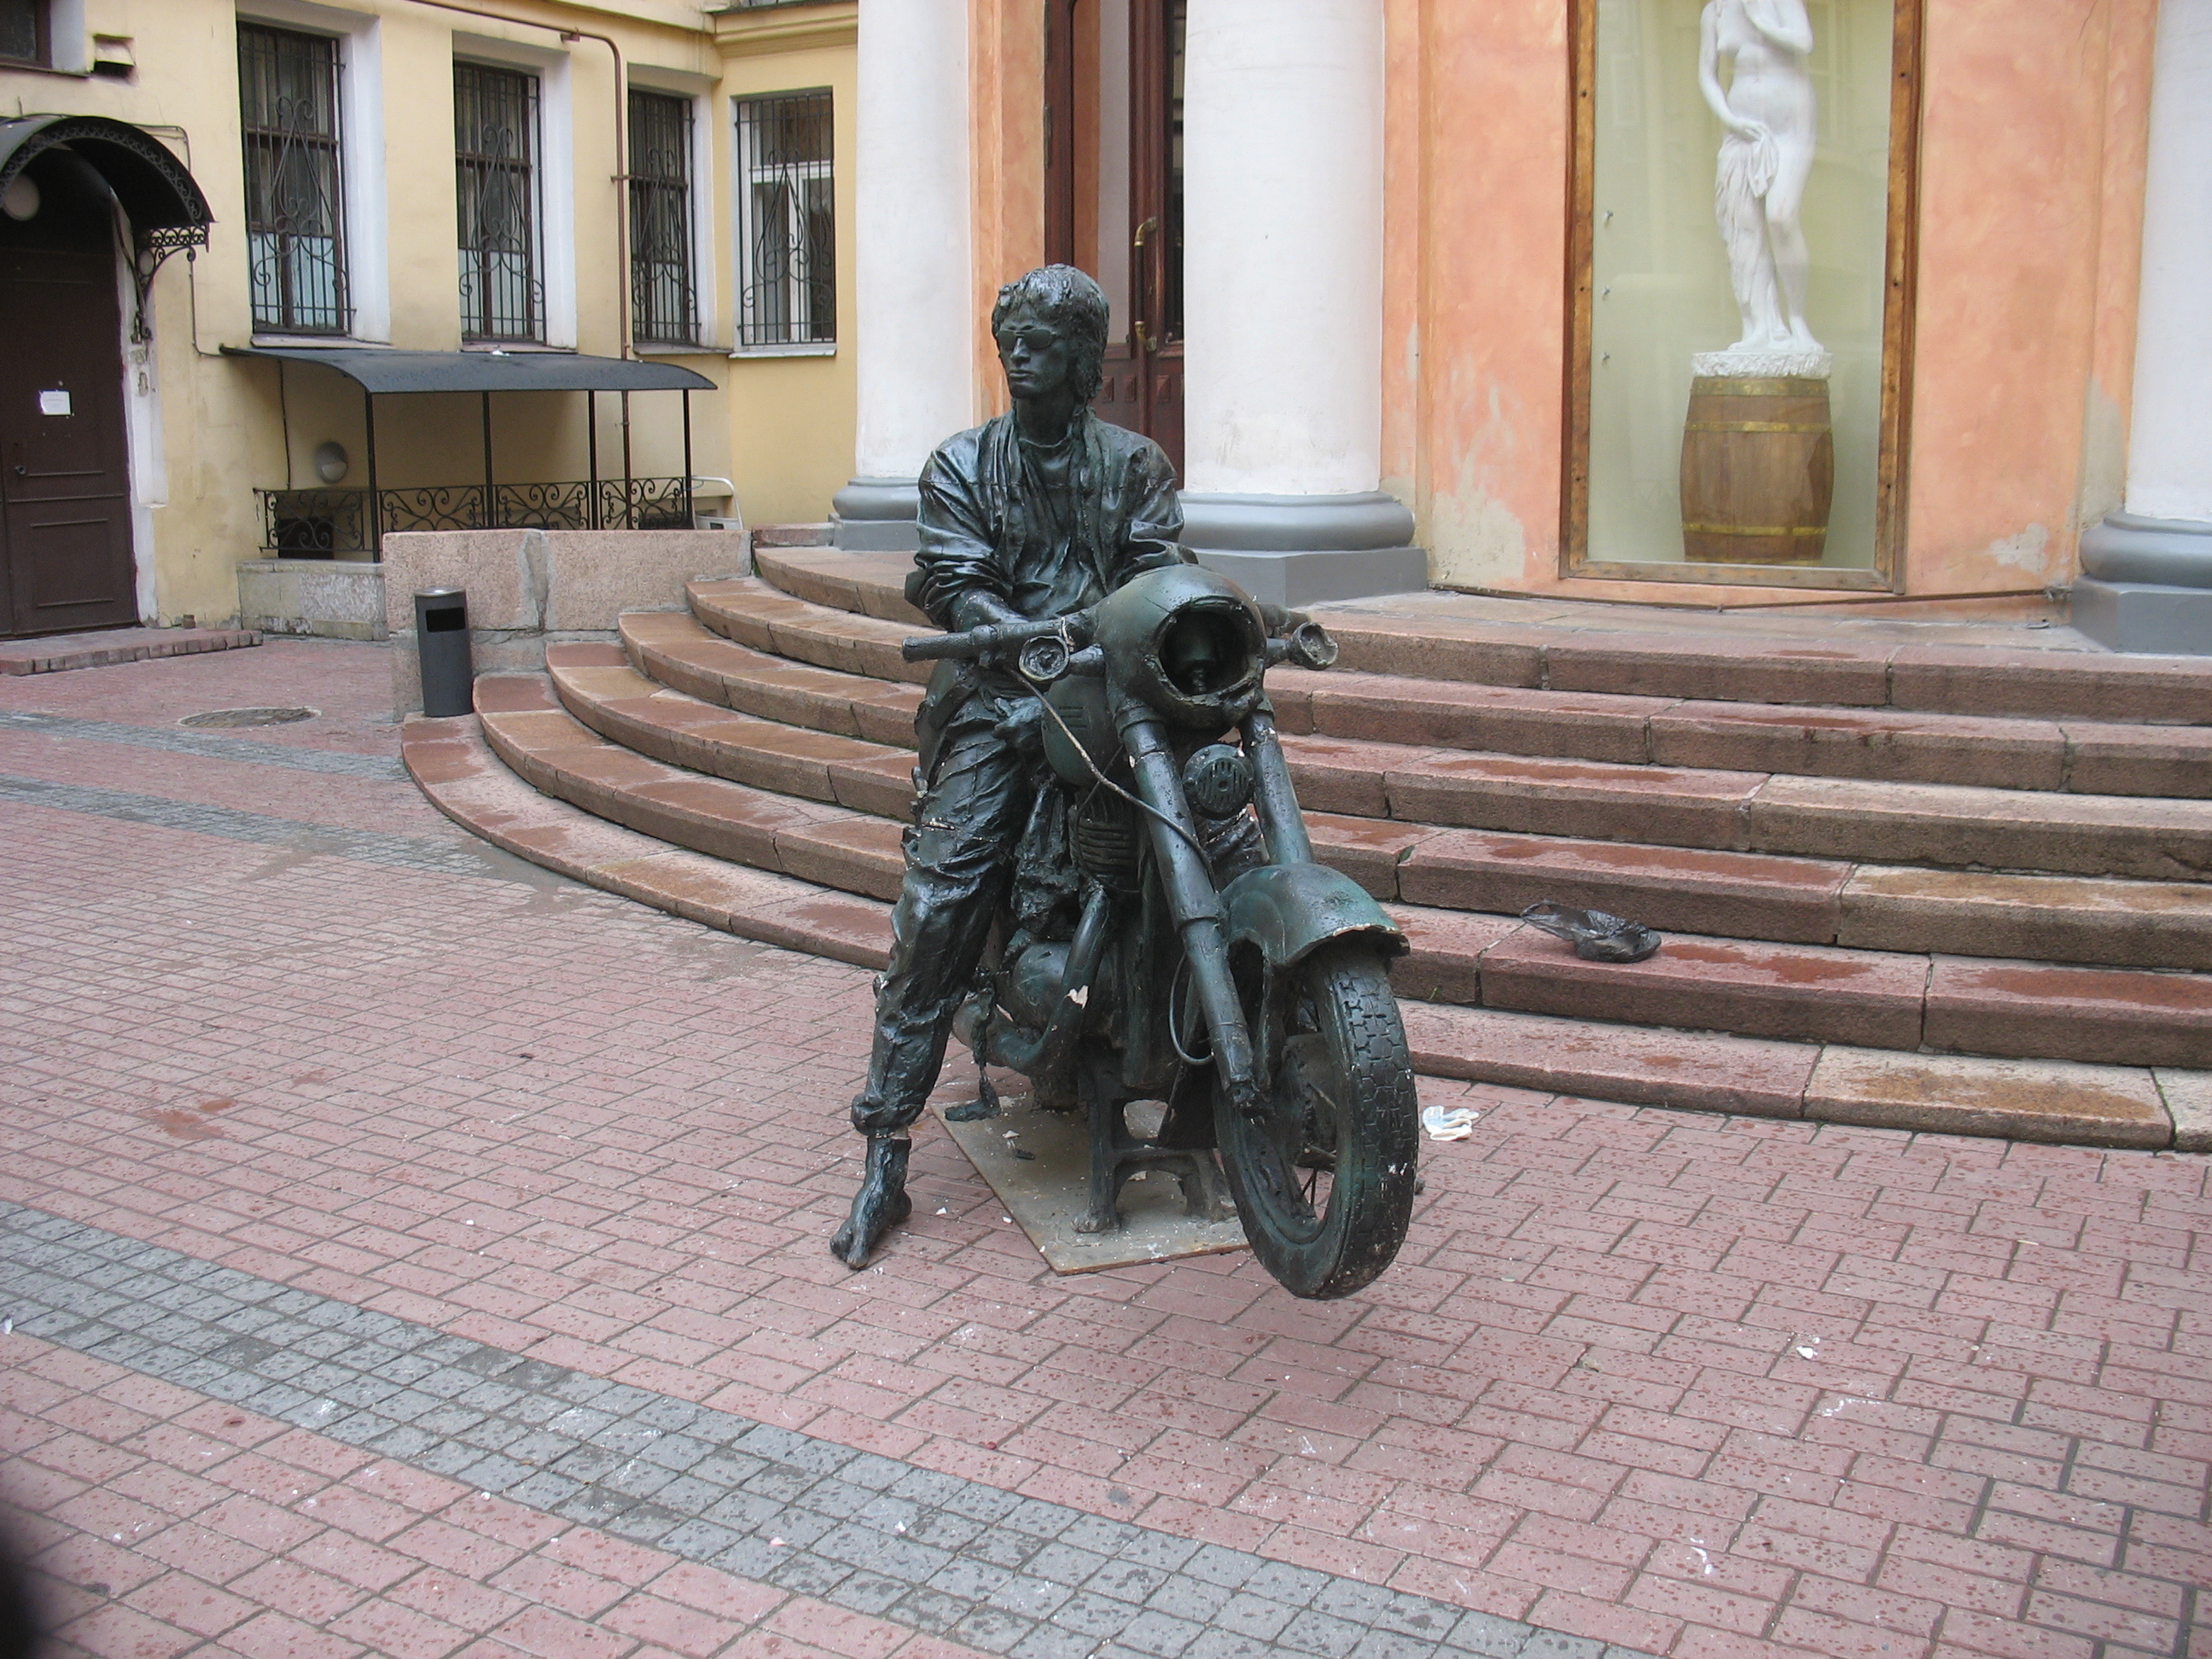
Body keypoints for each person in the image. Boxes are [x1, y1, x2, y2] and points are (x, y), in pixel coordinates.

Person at [831, 265, 1188, 1269]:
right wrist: (1027, 643)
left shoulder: (1136, 467)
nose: (1019, 352)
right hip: (993, 697)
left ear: (1084, 358)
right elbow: (955, 582)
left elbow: (1154, 572)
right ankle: (885, 1149)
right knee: (943, 896)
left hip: (1110, 699)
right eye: (1011, 336)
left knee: (1210, 828)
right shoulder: (960, 464)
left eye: (1043, 338)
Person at [1697, 0, 1822, 358]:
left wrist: (1762, 21)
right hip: (1743, 130)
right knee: (1744, 229)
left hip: (1791, 123)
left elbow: (1804, 42)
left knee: (1781, 217)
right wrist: (1729, 119)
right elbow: (1707, 74)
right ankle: (1760, 326)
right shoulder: (1715, 11)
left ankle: (1797, 320)